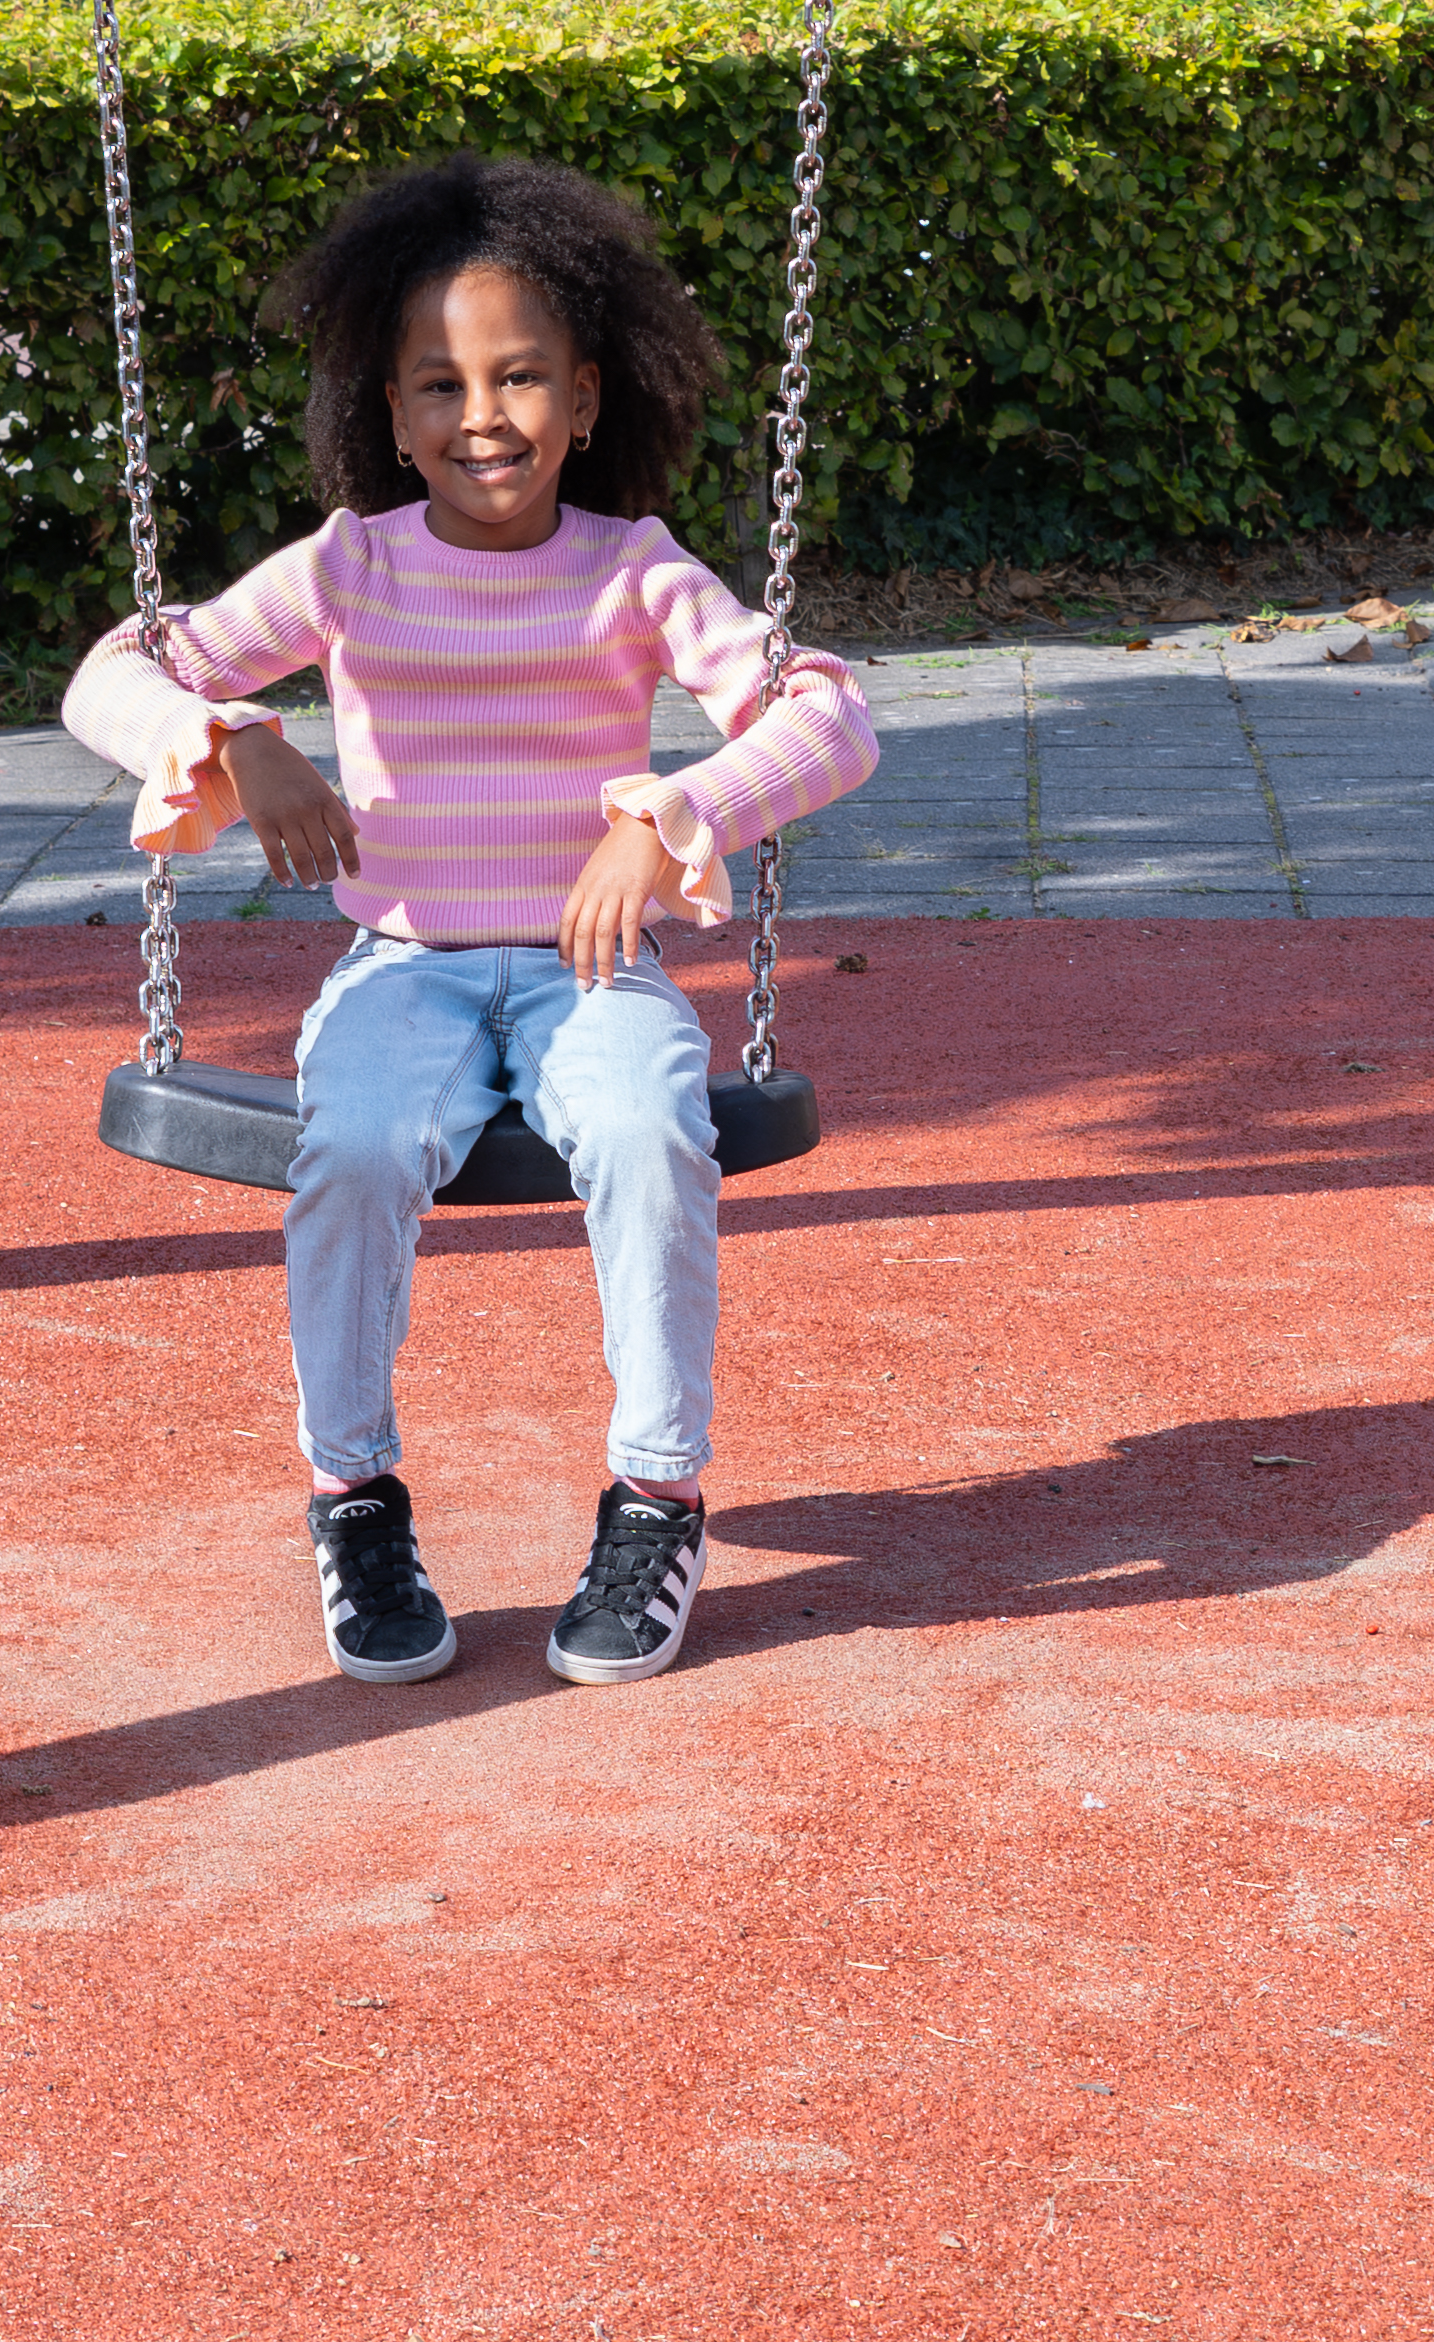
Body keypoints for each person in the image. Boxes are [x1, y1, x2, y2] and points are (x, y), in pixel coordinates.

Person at [64, 155, 876, 1686]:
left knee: (649, 1131)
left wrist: (672, 815)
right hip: (406, 963)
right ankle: (353, 1493)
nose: (480, 415)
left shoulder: (632, 570)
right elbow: (110, 674)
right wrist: (238, 735)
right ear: (390, 412)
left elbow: (828, 715)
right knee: (355, 1146)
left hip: (592, 970)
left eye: (518, 377)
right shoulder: (352, 565)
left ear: (585, 397)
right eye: (439, 383)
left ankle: (654, 1493)